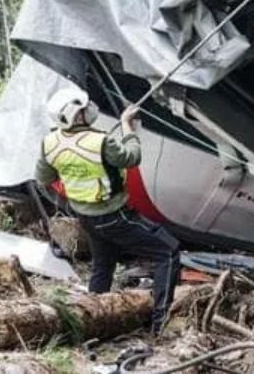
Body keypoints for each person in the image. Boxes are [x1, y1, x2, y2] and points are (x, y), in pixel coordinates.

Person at [35, 87, 180, 336]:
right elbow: (131, 157)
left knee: (103, 266)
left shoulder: (50, 143)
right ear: (77, 116)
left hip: (86, 217)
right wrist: (127, 127)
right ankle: (161, 325)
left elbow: (43, 177)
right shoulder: (101, 142)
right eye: (84, 107)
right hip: (114, 215)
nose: (89, 109)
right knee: (167, 251)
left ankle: (89, 322)